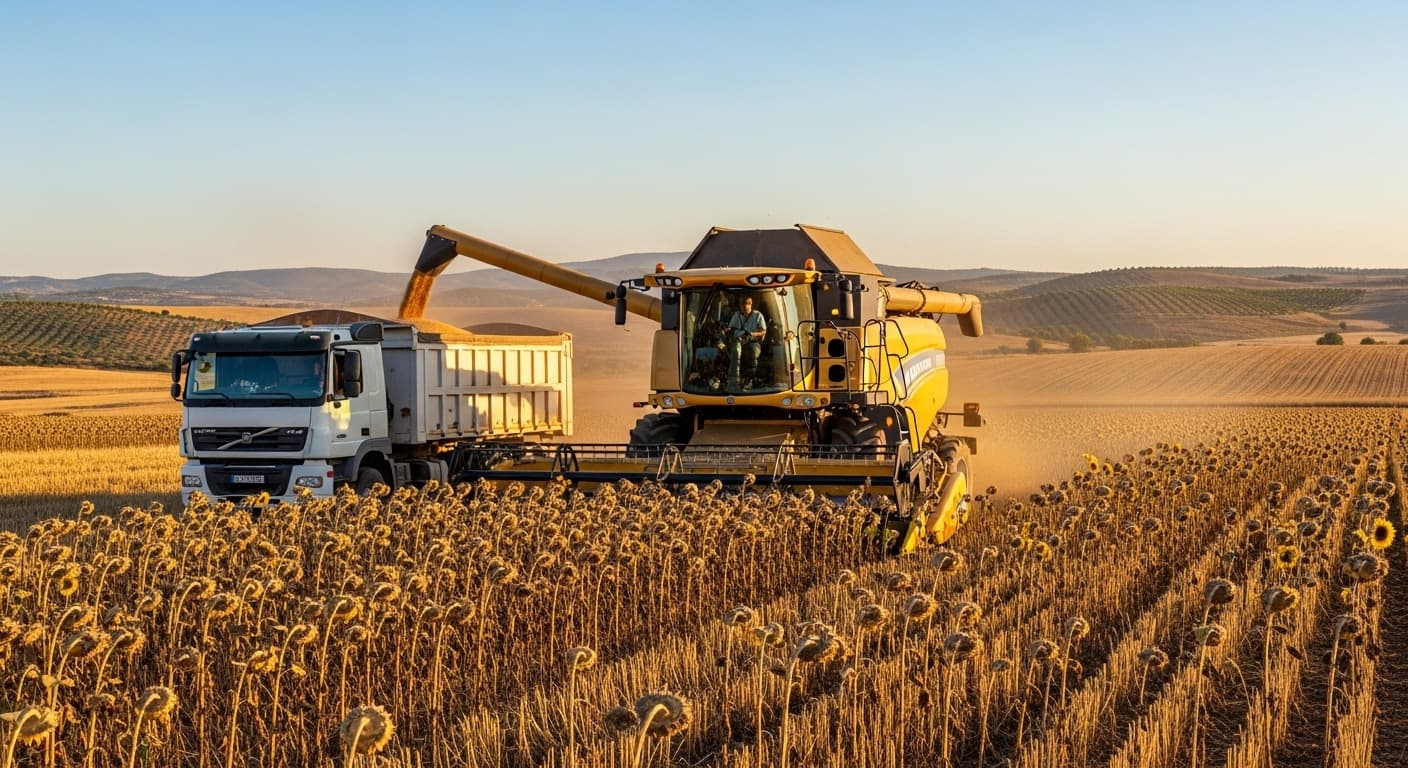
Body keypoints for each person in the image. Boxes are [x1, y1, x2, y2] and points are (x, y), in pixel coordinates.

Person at [726, 294, 767, 389]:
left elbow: (763, 331)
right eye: (742, 304)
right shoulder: (736, 315)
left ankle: (749, 380)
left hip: (752, 341)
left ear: (751, 304)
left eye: (747, 304)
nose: (744, 306)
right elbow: (730, 328)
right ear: (739, 305)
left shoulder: (758, 315)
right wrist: (727, 331)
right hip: (738, 341)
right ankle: (731, 380)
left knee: (751, 352)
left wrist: (751, 334)